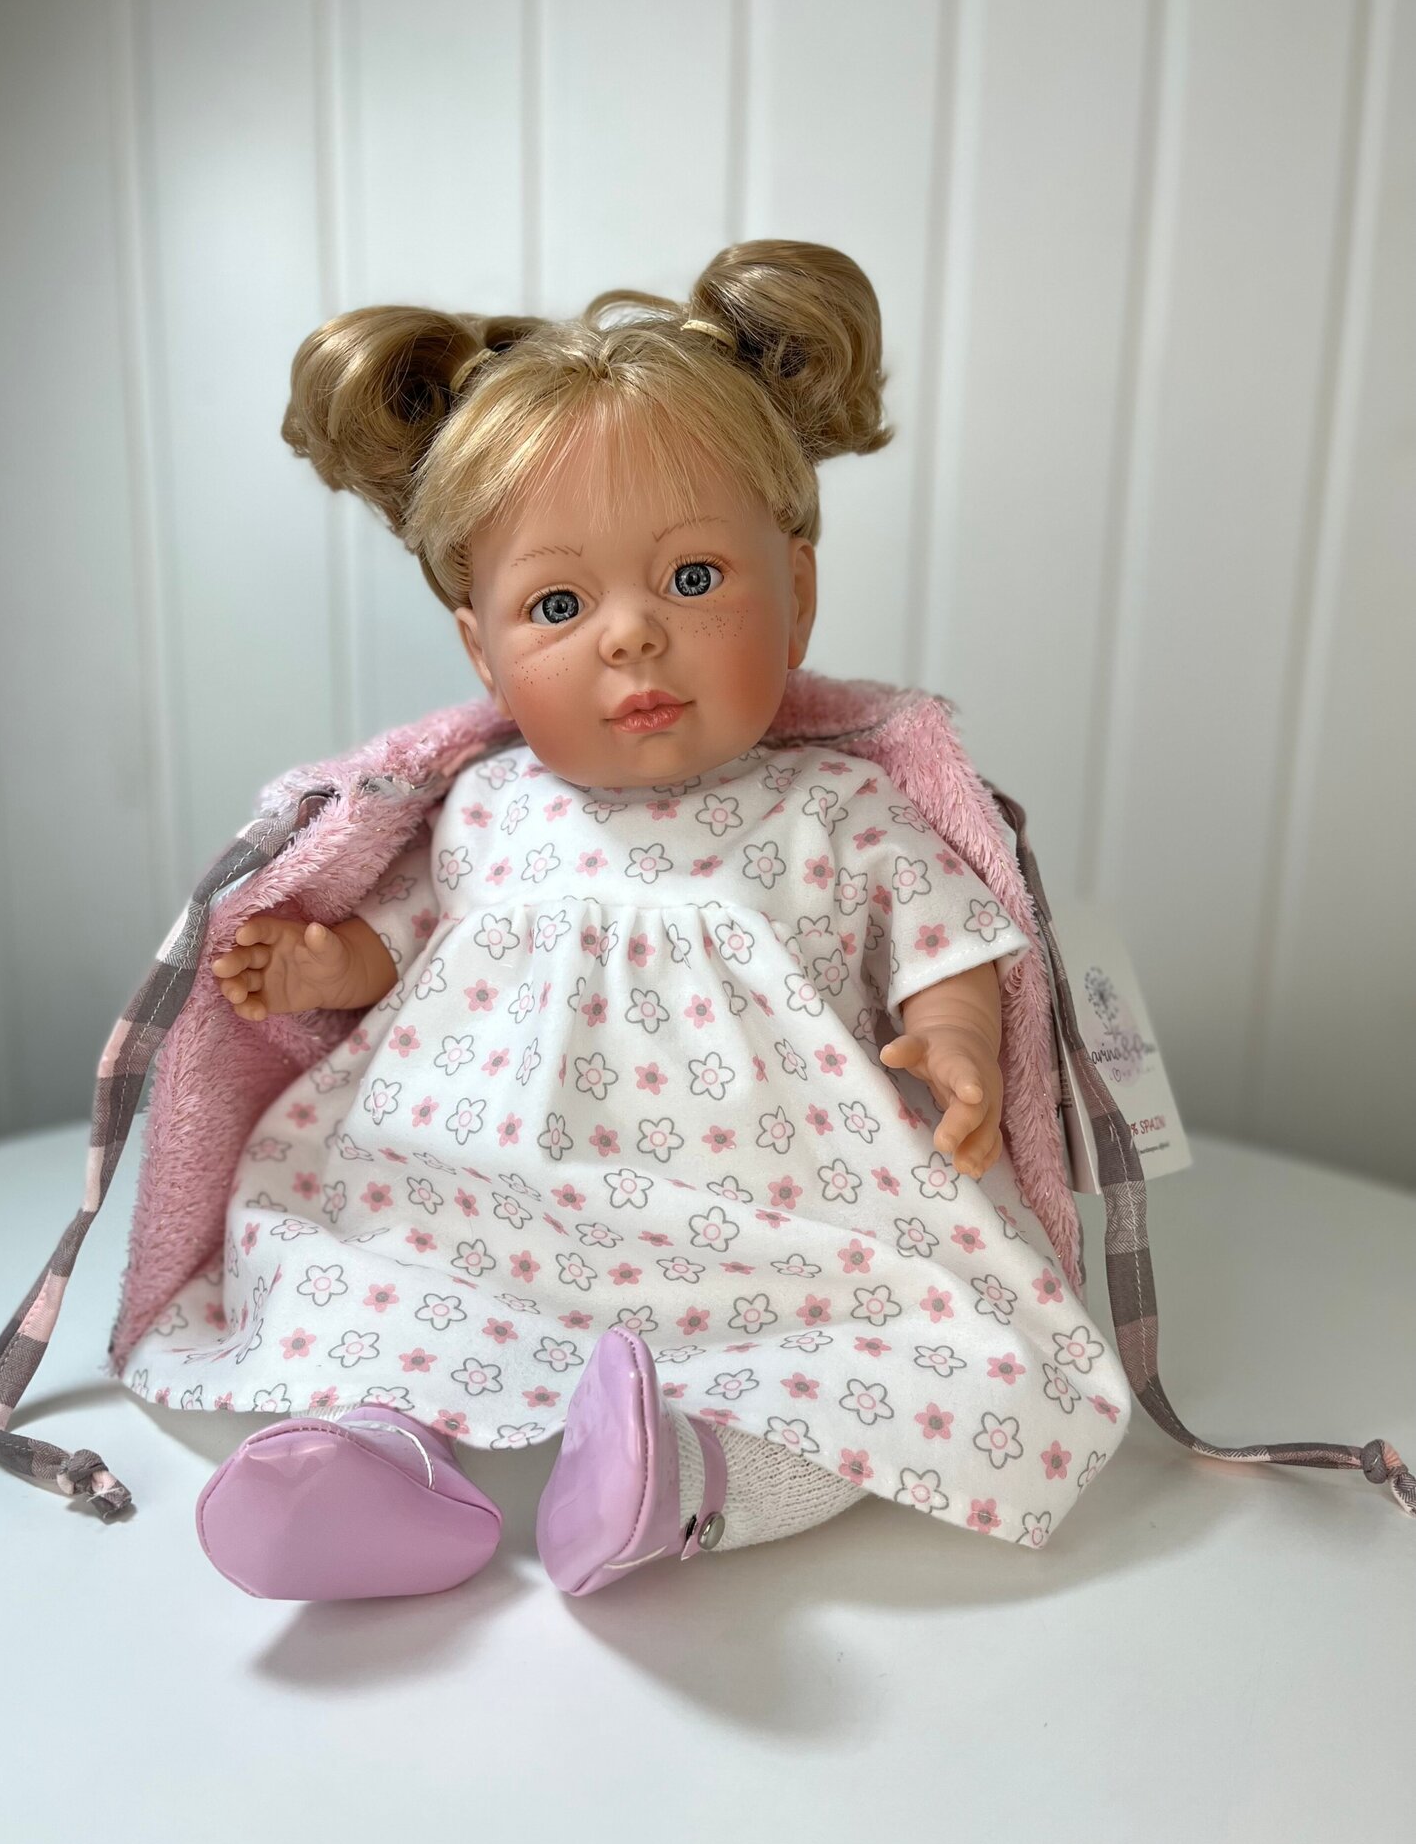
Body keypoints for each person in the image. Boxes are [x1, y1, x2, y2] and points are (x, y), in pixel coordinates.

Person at [130, 241, 1132, 1599]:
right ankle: (374, 1456)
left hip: (777, 1218)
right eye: (558, 604)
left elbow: (950, 942)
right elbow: (414, 943)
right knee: (355, 1268)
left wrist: (958, 1044)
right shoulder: (484, 806)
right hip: (477, 1195)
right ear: (485, 653)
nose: (631, 637)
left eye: (694, 579)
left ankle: (690, 1480)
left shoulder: (836, 808)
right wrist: (325, 961)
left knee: (914, 1350)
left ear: (798, 594)